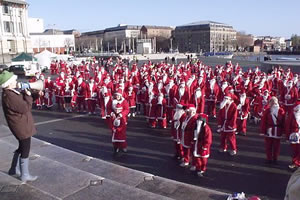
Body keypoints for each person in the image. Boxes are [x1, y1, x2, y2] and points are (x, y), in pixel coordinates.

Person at [0, 71, 38, 182]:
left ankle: (13, 169)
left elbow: (22, 102)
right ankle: (24, 175)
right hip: (21, 126)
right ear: (8, 83)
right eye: (13, 81)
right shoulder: (9, 96)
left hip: (21, 125)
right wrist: (28, 95)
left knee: (22, 147)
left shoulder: (10, 93)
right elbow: (25, 107)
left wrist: (33, 95)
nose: (16, 82)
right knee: (25, 149)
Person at [260, 96, 285, 164]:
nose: (274, 103)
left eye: (275, 101)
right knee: (268, 145)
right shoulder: (267, 110)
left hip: (278, 130)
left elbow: (283, 122)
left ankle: (275, 158)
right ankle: (269, 158)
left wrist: (284, 131)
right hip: (269, 130)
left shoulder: (281, 110)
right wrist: (263, 131)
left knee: (276, 146)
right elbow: (264, 121)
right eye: (272, 101)